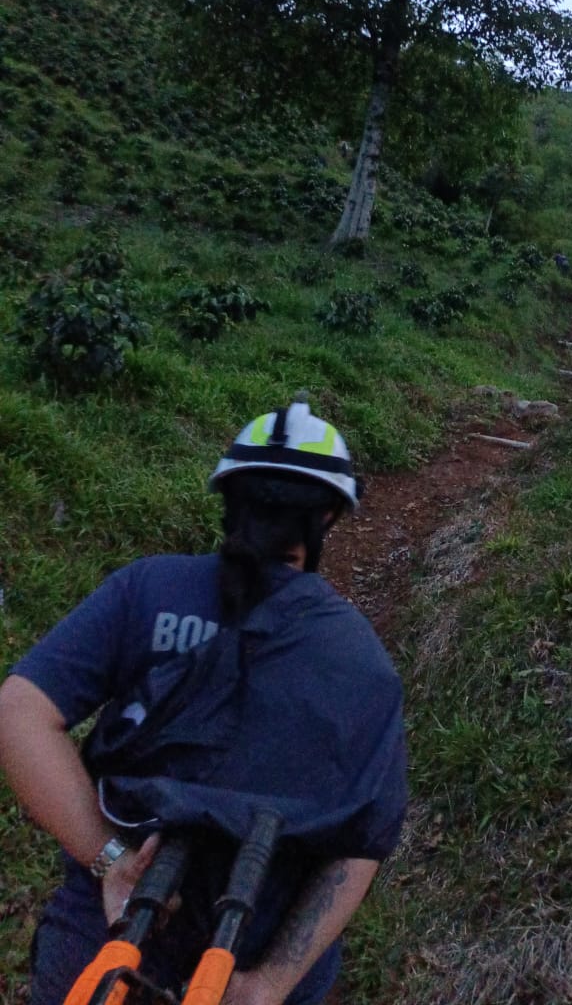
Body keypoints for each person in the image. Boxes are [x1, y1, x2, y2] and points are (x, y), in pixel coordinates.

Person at [0, 397, 407, 1005]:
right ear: (327, 516)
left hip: (104, 936)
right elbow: (361, 841)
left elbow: (19, 711)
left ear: (229, 500)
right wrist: (270, 984)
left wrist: (111, 860)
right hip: (252, 945)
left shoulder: (145, 590)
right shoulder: (358, 655)